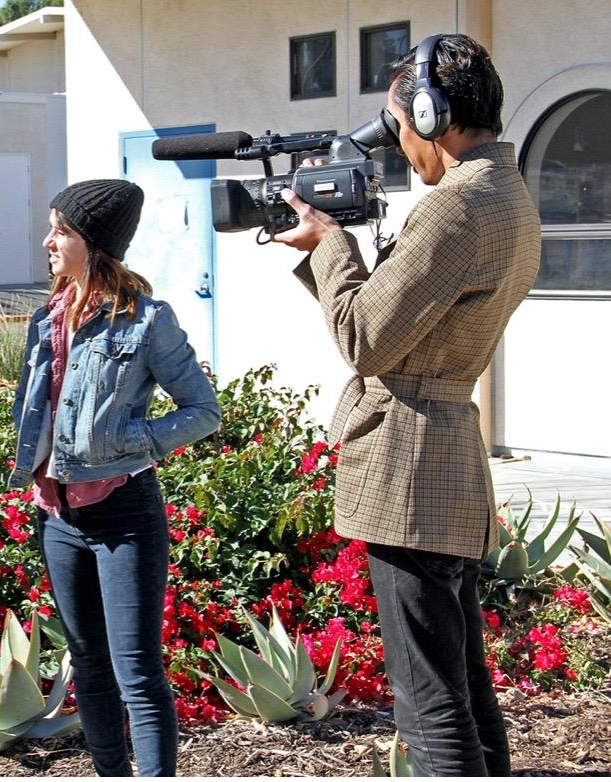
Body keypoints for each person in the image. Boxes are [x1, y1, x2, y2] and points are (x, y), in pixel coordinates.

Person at [272, 34, 541, 776]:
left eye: (402, 124)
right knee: (462, 680)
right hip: (445, 451)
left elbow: (365, 337)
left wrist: (328, 242)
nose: (402, 145)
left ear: (433, 113)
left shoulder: (456, 207)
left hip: (411, 464)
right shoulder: (507, 194)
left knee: (426, 697)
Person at [8, 179, 221, 776]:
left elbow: (203, 410)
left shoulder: (146, 321)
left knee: (136, 673)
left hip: (124, 515)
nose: (48, 240)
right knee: (89, 666)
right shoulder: (45, 318)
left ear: (94, 244)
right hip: (59, 517)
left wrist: (133, 442)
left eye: (63, 230)